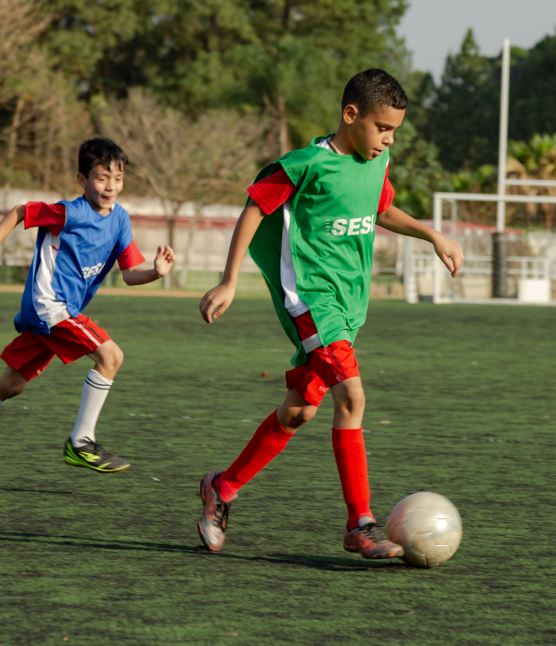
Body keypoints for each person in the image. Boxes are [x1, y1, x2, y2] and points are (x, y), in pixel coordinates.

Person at [196, 69, 464, 559]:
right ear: (350, 115)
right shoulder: (305, 165)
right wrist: (230, 279)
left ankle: (223, 487)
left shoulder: (376, 165)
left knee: (299, 411)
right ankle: (360, 522)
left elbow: (381, 210)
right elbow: (255, 208)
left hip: (348, 307)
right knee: (352, 398)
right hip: (311, 302)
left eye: (395, 132)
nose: (388, 139)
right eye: (382, 128)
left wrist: (433, 236)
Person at [0, 137, 174, 481]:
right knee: (111, 356)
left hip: (56, 312)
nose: (110, 186)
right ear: (82, 180)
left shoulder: (120, 221)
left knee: (11, 385)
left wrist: (156, 272)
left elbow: (131, 274)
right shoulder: (68, 212)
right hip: (49, 305)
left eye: (117, 178)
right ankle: (81, 442)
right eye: (101, 178)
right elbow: (21, 212)